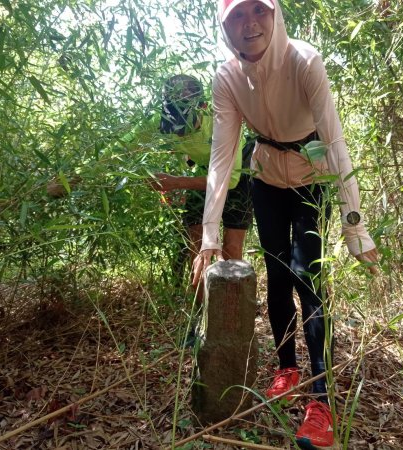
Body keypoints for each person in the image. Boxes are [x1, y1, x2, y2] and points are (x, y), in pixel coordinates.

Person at [191, 1, 379, 448]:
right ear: (225, 26)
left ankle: (321, 399)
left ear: (275, 16)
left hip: (312, 178)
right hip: (267, 180)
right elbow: (222, 157)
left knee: (308, 279)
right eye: (237, 15)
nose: (250, 23)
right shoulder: (227, 78)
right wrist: (209, 235)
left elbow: (334, 140)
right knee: (277, 276)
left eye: (259, 10)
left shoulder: (304, 60)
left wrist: (356, 228)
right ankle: (286, 367)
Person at [149, 75, 253, 311]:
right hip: (203, 172)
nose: (181, 133)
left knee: (231, 248)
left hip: (238, 172)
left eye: (186, 123)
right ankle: (202, 314)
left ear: (202, 106)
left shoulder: (221, 121)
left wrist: (177, 182)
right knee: (197, 247)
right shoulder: (161, 118)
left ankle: (232, 313)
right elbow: (119, 148)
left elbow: (232, 180)